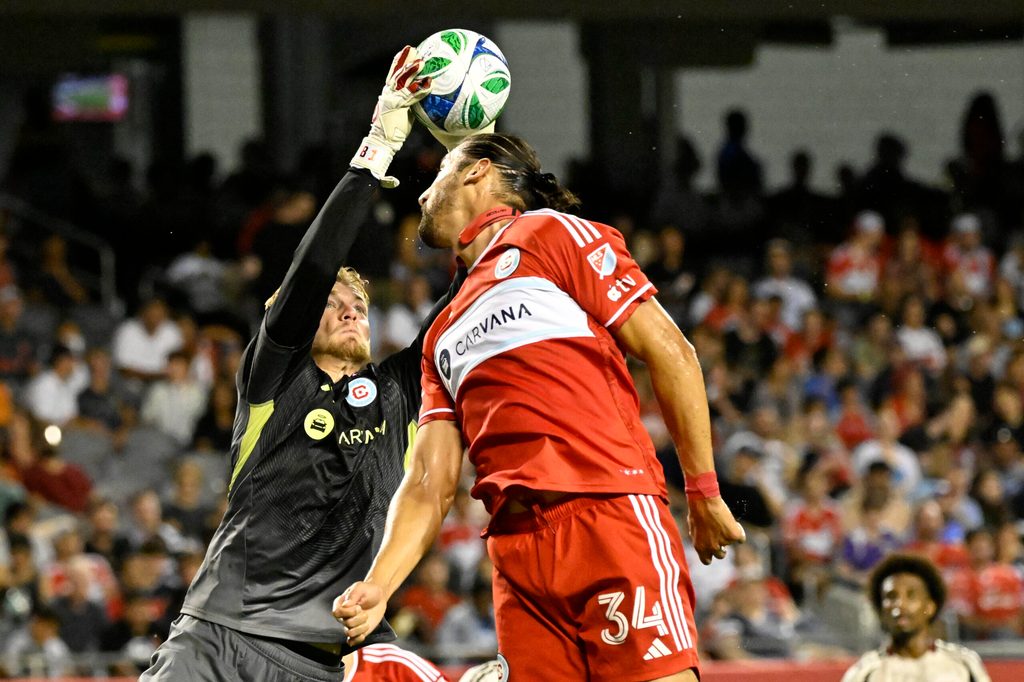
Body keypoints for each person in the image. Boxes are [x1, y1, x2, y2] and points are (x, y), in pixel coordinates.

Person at [337, 132, 744, 681]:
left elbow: (671, 353)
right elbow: (429, 480)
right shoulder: (438, 332)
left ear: (478, 173)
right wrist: (379, 586)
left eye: (436, 178)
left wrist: (702, 489)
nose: (420, 197)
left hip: (607, 514)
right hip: (518, 557)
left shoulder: (549, 234)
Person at [140, 46, 459, 681]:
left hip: (329, 660)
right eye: (334, 303)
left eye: (360, 303)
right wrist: (375, 153)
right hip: (217, 638)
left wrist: (483, 185)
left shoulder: (402, 391)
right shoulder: (275, 377)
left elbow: (469, 295)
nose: (351, 311)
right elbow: (311, 270)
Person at [841, 553, 991, 682]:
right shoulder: (865, 672)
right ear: (881, 609)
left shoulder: (964, 664)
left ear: (929, 607)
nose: (900, 604)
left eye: (911, 596)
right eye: (891, 596)